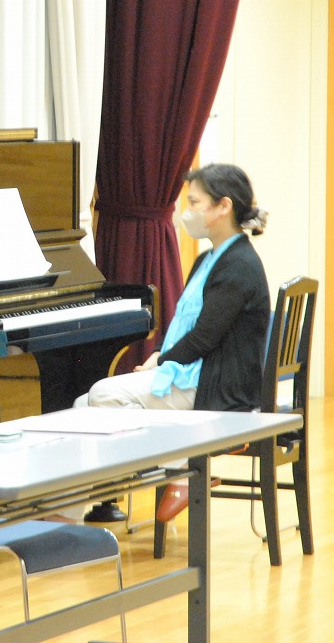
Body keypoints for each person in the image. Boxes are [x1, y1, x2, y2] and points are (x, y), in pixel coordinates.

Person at [80, 163, 269, 521]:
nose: (187, 211)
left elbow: (205, 337)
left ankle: (181, 468)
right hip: (194, 374)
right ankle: (63, 520)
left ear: (223, 207)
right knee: (81, 407)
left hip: (220, 386)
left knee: (103, 395)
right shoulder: (207, 259)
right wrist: (158, 353)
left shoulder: (239, 265)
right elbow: (183, 322)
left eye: (195, 202)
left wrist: (163, 360)